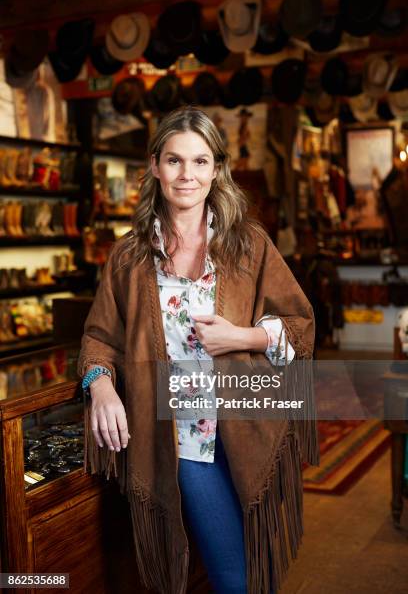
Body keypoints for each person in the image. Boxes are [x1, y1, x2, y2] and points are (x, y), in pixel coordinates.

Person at [77, 105, 319, 594]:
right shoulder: (128, 257)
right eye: (174, 160)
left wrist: (241, 336)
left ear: (217, 169)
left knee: (260, 572)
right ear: (154, 166)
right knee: (234, 579)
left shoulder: (249, 244)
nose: (187, 174)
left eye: (200, 161)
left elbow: (301, 326)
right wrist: (99, 385)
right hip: (183, 443)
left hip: (250, 426)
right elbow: (98, 338)